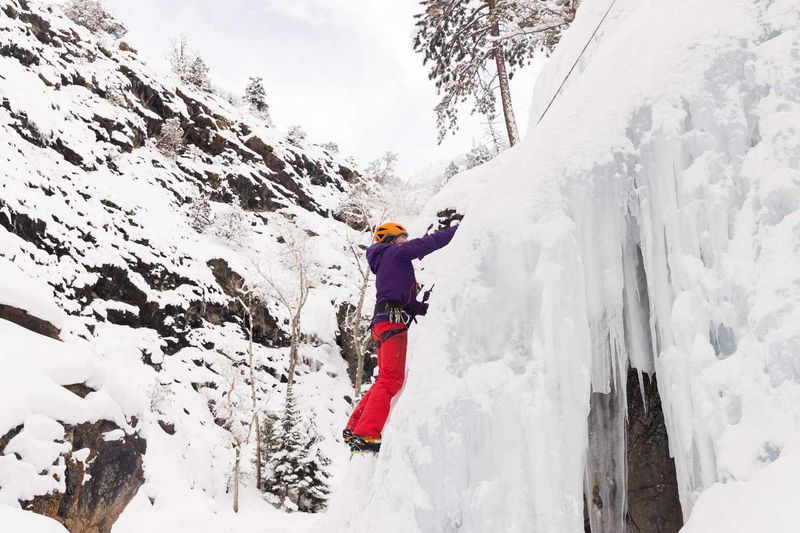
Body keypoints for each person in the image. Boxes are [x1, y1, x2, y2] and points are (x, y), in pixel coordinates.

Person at [344, 221, 458, 452]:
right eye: (402, 237)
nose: (406, 240)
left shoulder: (387, 261)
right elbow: (426, 244)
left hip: (383, 321)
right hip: (392, 321)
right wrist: (459, 230)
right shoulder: (395, 253)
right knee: (391, 380)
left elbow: (408, 304)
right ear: (391, 239)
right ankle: (366, 434)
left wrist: (433, 307)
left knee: (385, 378)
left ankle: (354, 427)